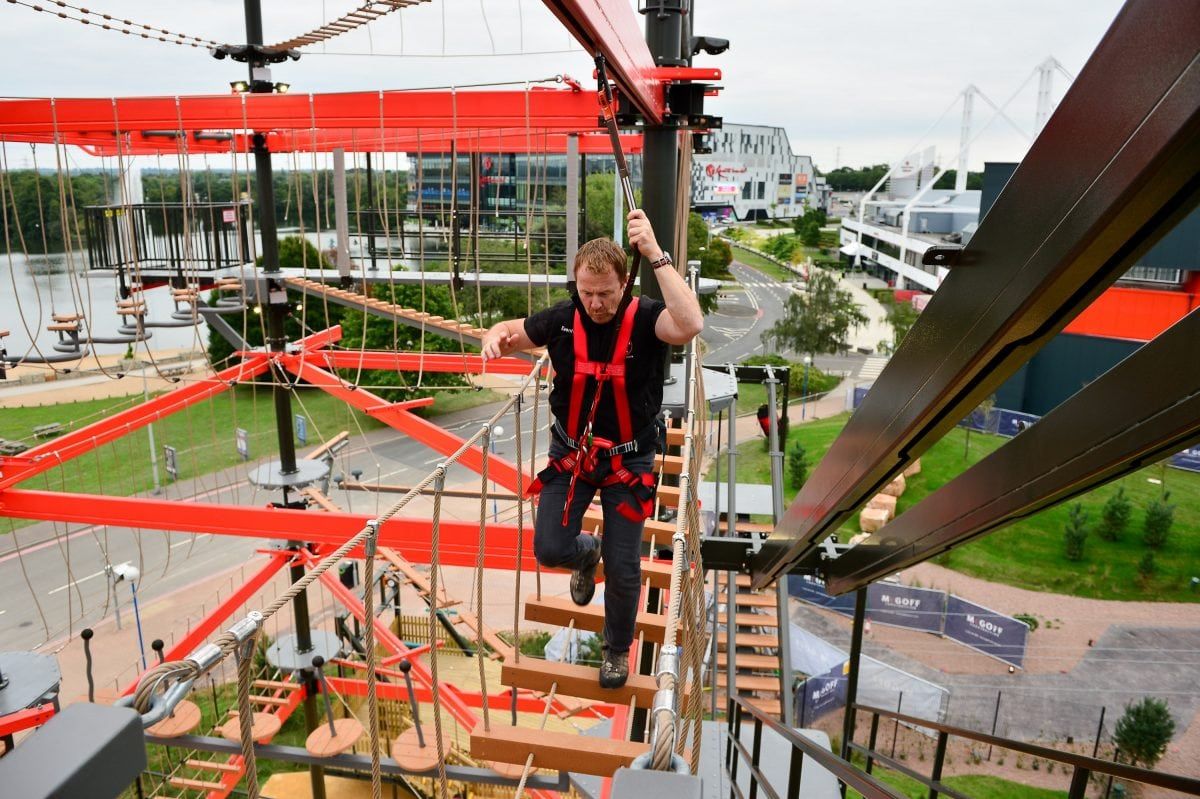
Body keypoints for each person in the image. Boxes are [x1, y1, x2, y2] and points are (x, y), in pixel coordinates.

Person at [481, 209, 703, 688]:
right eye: (587, 293)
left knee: (624, 570)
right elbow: (511, 330)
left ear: (624, 284)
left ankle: (616, 649)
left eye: (606, 293)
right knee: (549, 547)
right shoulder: (563, 319)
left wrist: (656, 254)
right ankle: (586, 554)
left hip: (630, 458)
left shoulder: (646, 319)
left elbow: (690, 324)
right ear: (576, 287)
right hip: (573, 457)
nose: (596, 303)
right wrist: (491, 336)